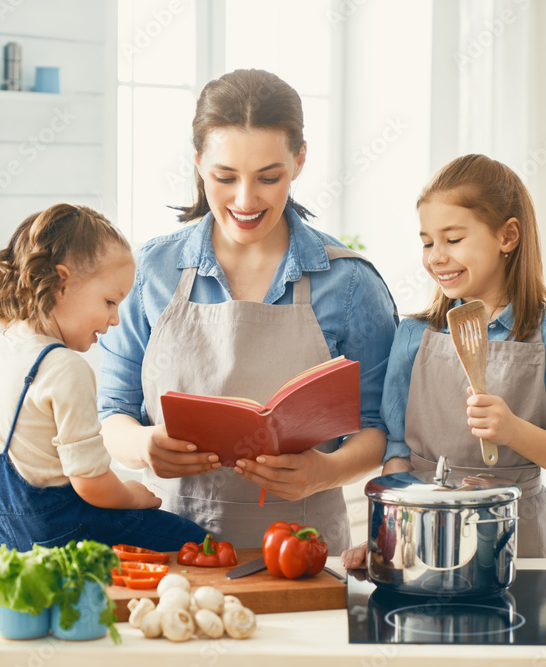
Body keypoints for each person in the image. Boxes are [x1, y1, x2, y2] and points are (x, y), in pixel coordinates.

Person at [97, 69, 398, 550]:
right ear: (197, 162)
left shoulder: (351, 283)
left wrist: (327, 471)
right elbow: (111, 410)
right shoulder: (151, 271)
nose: (244, 200)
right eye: (224, 176)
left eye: (268, 177)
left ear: (299, 160)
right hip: (168, 547)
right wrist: (142, 447)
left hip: (306, 555)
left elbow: (382, 427)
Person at [342, 154, 546, 565]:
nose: (435, 257)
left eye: (452, 240)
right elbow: (396, 448)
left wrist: (514, 431)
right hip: (421, 537)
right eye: (427, 242)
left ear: (508, 237)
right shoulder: (413, 336)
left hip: (516, 541)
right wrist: (386, 531)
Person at [0, 203, 207, 552]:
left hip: (6, 539)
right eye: (110, 301)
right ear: (61, 283)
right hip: (67, 535)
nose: (115, 320)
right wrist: (133, 496)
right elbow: (90, 484)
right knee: (197, 543)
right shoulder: (63, 367)